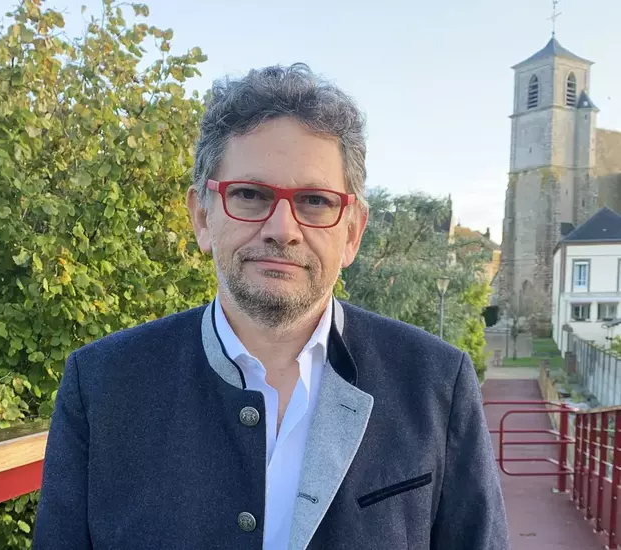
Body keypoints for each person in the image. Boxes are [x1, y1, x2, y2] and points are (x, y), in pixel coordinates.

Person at [33, 63, 509, 550]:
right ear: (202, 216)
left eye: (316, 201)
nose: (282, 228)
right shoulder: (102, 386)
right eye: (250, 194)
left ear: (353, 232)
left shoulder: (434, 382)